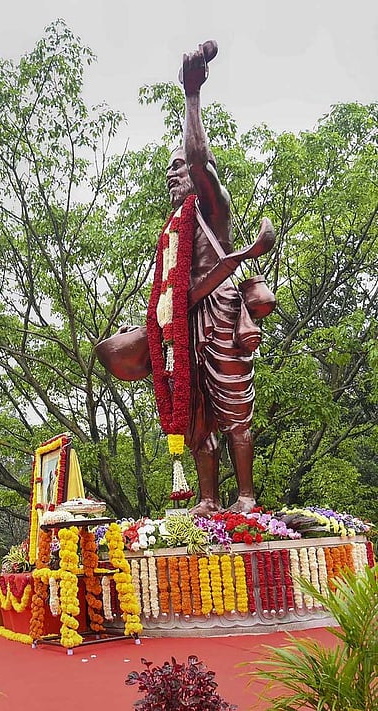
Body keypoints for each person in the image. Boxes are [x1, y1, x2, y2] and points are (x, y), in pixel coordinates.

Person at [146, 42, 275, 515]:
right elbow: (165, 293)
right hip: (186, 325)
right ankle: (207, 500)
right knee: (196, 414)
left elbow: (199, 161)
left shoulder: (211, 209)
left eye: (178, 169)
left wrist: (192, 97)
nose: (173, 177)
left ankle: (245, 497)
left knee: (235, 412)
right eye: (170, 173)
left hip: (219, 314)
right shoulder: (172, 232)